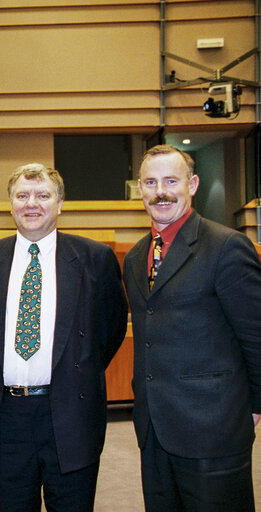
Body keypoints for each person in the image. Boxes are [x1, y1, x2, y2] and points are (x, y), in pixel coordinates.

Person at [0, 164, 128, 512]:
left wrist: (74, 369)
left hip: (71, 412)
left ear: (60, 202)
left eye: (42, 195)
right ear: (11, 204)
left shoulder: (95, 259)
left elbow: (108, 332)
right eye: (22, 196)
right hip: (5, 418)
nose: (31, 203)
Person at [123, 144, 261, 511]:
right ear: (140, 189)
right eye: (151, 182)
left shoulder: (227, 246)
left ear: (193, 184)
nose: (161, 191)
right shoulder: (136, 257)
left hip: (214, 429)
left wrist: (255, 407)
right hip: (154, 429)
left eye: (171, 180)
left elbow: (256, 336)